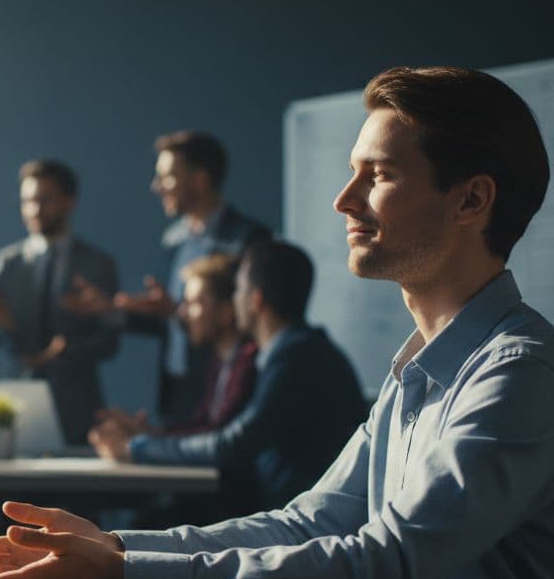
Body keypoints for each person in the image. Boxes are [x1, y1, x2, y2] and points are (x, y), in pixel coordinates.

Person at [0, 66, 554, 579]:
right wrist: (120, 551)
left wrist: (121, 576)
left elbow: (380, 569)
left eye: (379, 175)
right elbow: (310, 521)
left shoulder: (518, 377)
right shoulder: (422, 368)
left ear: (471, 201)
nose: (344, 199)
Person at [90, 240, 363, 516]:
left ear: (256, 300)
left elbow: (232, 444)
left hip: (304, 520)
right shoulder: (297, 351)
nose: (234, 301)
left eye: (239, 291)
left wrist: (138, 447)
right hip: (295, 512)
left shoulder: (296, 358)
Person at [115, 132, 271, 427]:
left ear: (200, 179)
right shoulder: (173, 240)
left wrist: (175, 310)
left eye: (167, 177)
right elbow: (174, 315)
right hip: (176, 390)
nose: (156, 186)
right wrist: (116, 310)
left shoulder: (247, 239)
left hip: (225, 386)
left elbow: (248, 319)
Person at [0, 160, 120, 444]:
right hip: (20, 400)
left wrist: (67, 351)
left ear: (69, 202)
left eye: (45, 200)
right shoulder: (8, 263)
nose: (35, 210)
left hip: (77, 404)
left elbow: (110, 341)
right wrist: (1, 328)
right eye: (27, 201)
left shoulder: (96, 264)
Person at [91, 253, 256, 450]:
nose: (182, 313)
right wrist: (147, 433)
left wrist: (138, 446)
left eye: (194, 303)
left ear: (227, 312)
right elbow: (201, 428)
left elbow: (217, 439)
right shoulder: (220, 363)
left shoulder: (248, 364)